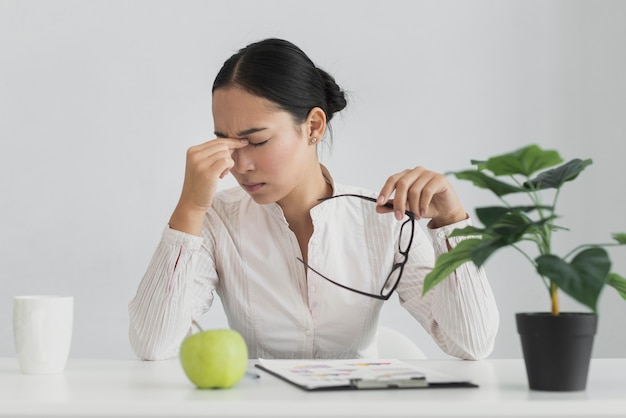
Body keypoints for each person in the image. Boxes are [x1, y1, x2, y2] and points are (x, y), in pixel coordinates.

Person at [129, 38, 499, 361]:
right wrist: (190, 208)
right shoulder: (217, 220)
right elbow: (153, 345)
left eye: (257, 141)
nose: (239, 164)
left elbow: (472, 344)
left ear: (314, 127)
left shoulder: (385, 219)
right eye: (225, 142)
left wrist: (451, 223)